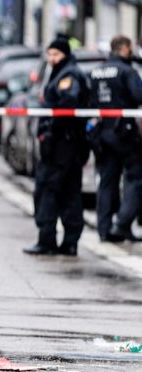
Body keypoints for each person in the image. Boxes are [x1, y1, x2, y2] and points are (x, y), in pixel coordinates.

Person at [23, 38, 90, 256]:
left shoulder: (68, 75)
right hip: (66, 144)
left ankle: (49, 241)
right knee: (68, 192)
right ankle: (68, 242)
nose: (52, 59)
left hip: (62, 145)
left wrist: (50, 130)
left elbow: (66, 105)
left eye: (56, 55)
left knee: (49, 191)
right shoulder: (62, 73)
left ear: (65, 55)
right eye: (50, 54)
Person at [90, 35, 142, 242]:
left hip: (102, 132)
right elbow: (139, 96)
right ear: (125, 48)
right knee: (136, 177)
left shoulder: (96, 71)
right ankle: (122, 223)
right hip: (124, 133)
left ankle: (104, 229)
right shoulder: (127, 71)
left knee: (107, 181)